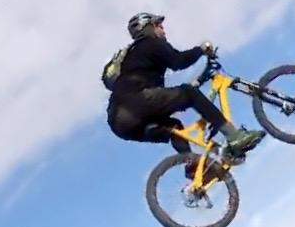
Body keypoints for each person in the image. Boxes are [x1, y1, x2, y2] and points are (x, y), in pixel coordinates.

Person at [105, 12, 266, 179]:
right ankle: (235, 136)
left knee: (175, 128)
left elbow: (165, 96)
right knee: (189, 93)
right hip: (136, 102)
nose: (163, 30)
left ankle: (194, 167)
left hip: (120, 124)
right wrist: (201, 50)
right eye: (159, 25)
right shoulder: (149, 44)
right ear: (148, 28)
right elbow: (178, 61)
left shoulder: (135, 58)